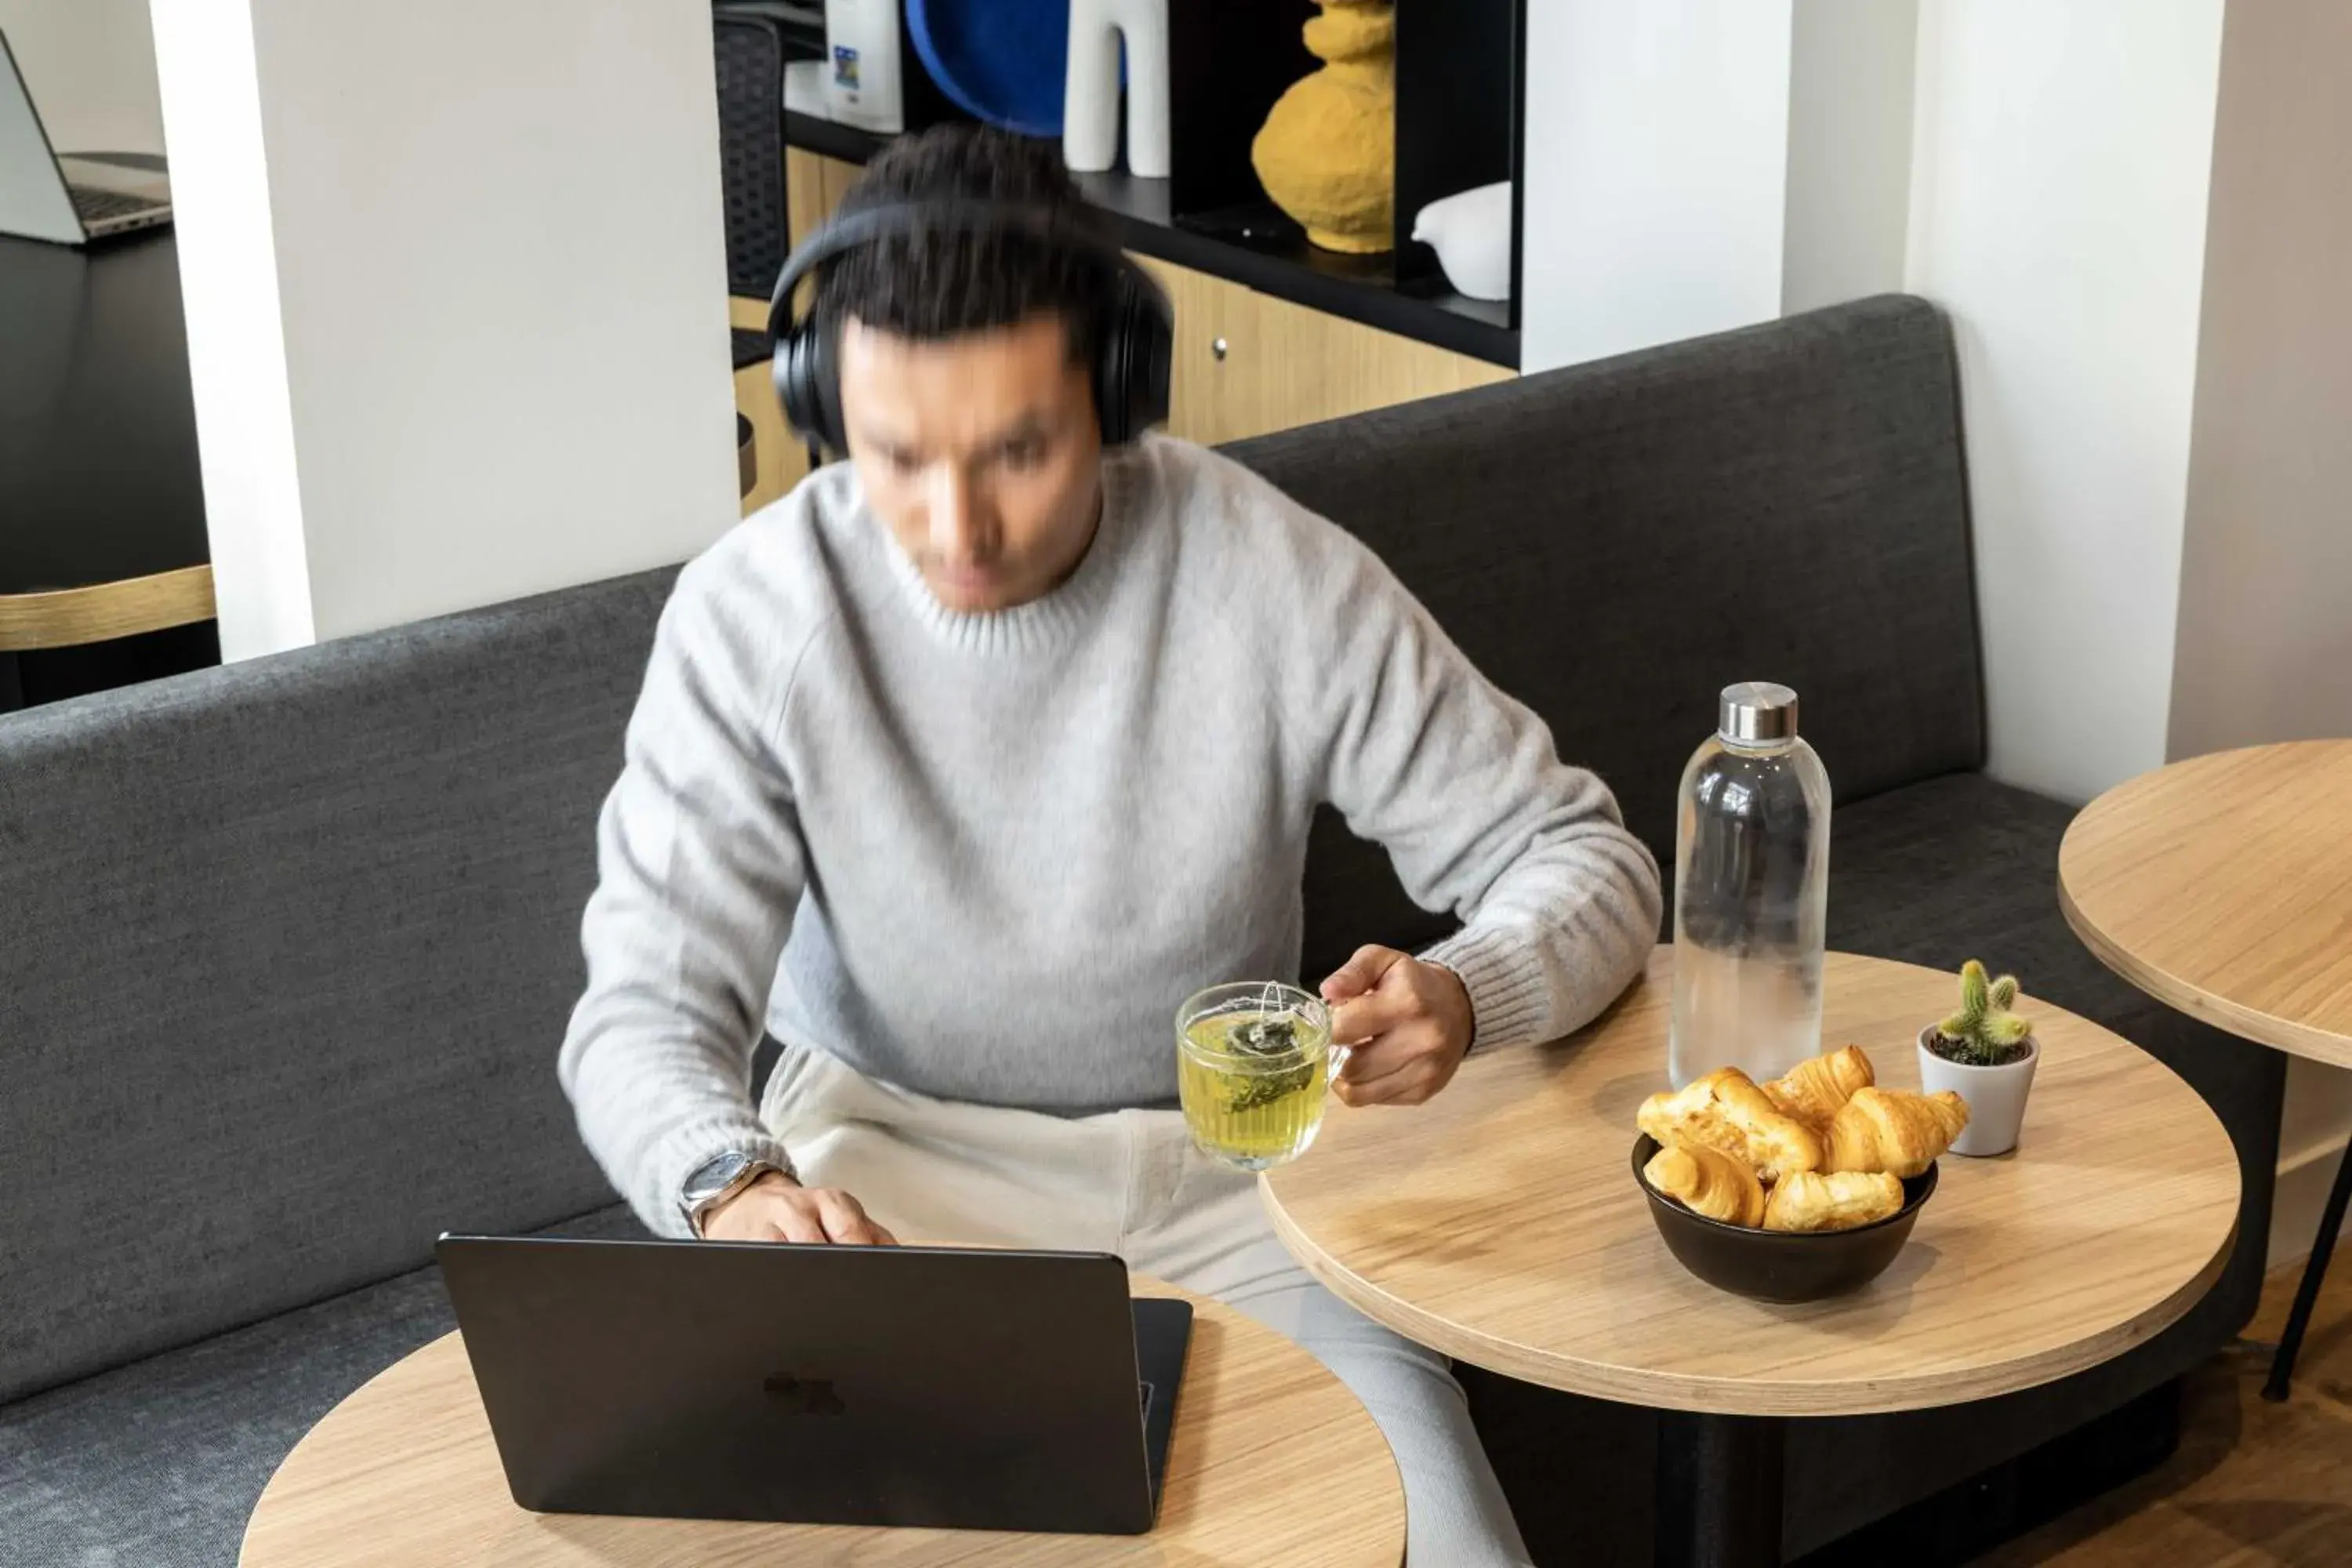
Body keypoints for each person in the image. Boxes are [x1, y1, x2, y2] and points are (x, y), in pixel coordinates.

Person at [559, 124, 1661, 1566]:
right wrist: (731, 1186)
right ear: (828, 411)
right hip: (886, 1199)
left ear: (1118, 397)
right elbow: (641, 1017)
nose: (956, 527)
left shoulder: (1268, 574)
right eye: (897, 457)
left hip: (1248, 1188)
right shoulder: (756, 611)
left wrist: (1468, 990)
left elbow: (1587, 860)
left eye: (1019, 450)